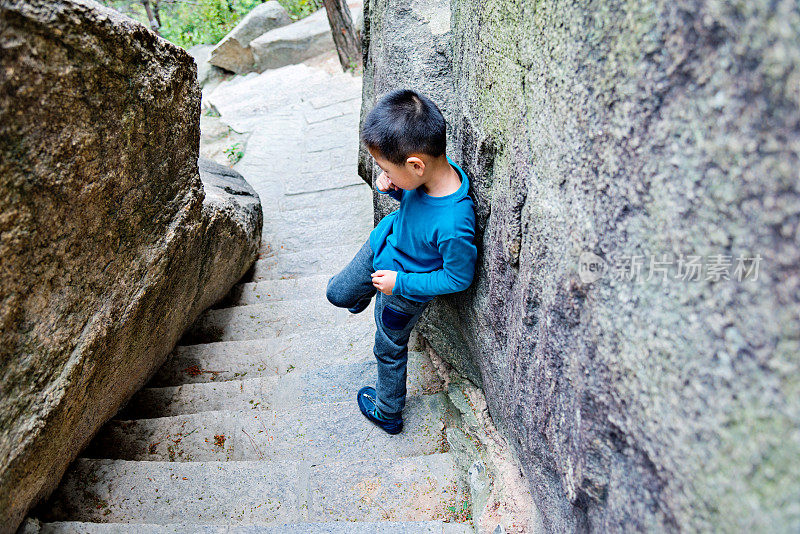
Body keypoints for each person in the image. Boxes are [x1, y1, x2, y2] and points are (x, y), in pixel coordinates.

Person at [325, 88, 478, 435]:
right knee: (337, 293)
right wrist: (395, 188)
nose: (384, 173)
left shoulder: (455, 223)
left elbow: (458, 278)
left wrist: (400, 284)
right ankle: (362, 296)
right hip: (382, 246)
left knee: (388, 348)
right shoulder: (426, 172)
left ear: (415, 164)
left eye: (385, 168)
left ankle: (388, 412)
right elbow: (416, 201)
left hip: (401, 290)